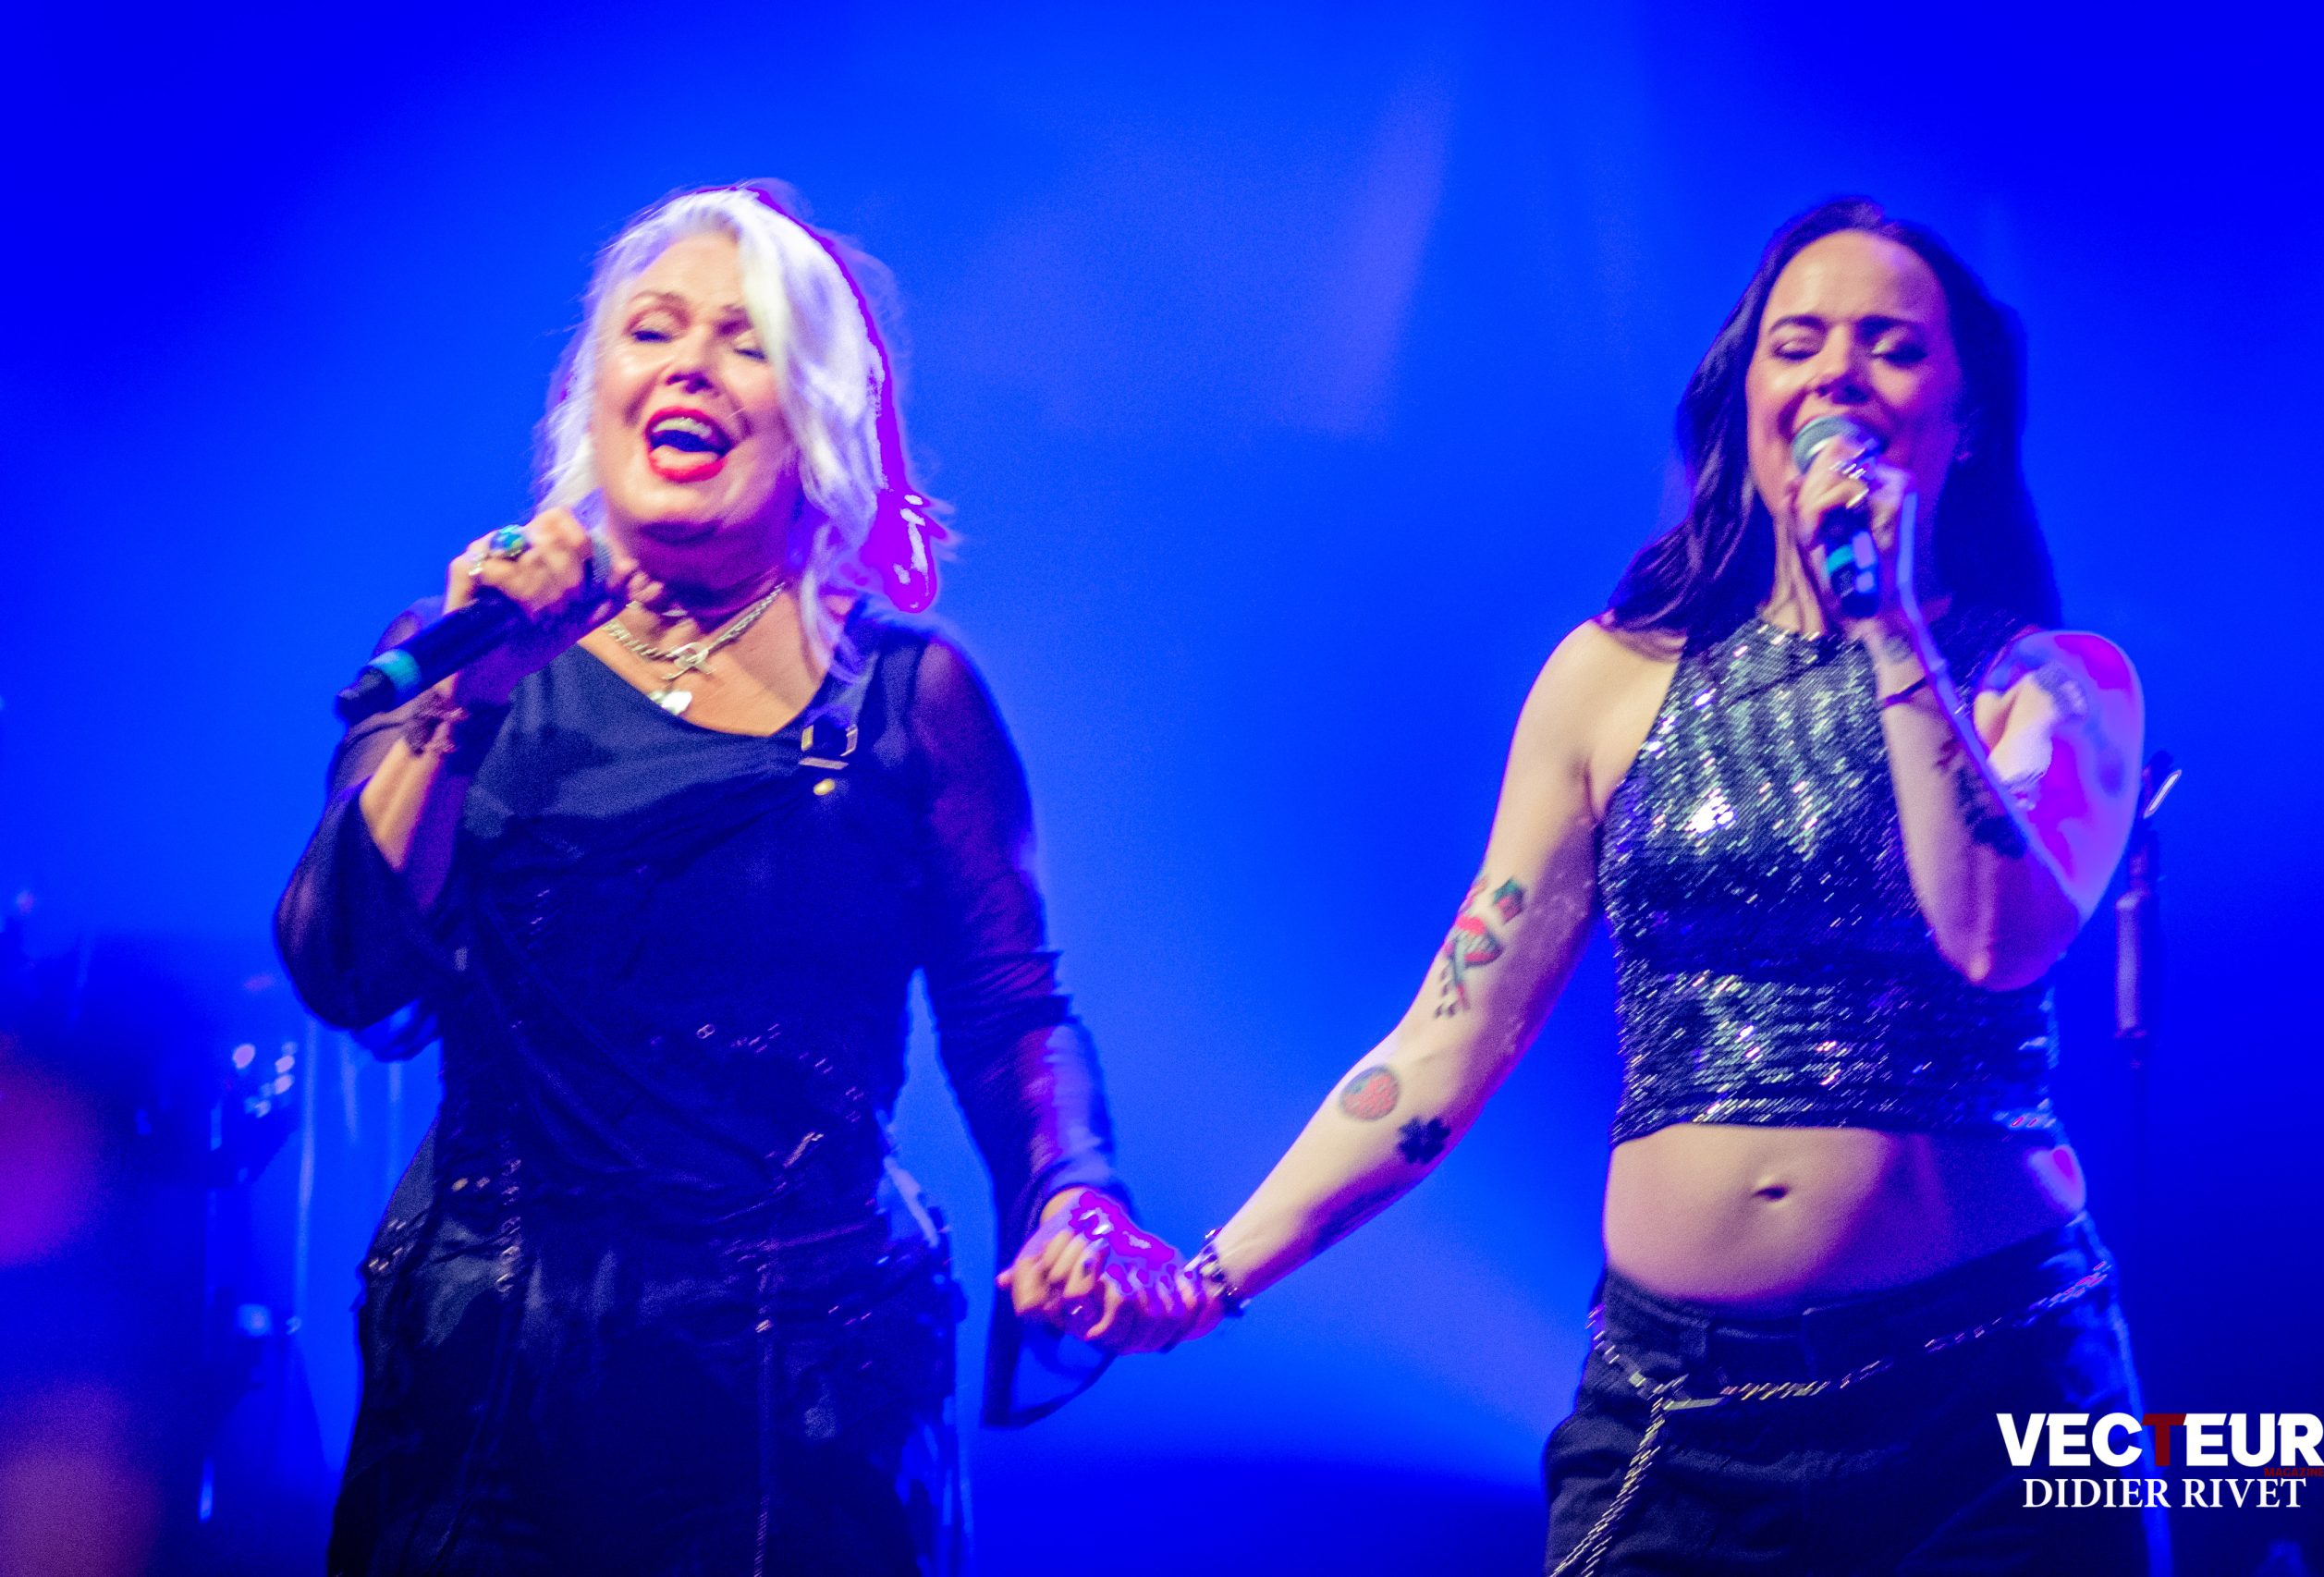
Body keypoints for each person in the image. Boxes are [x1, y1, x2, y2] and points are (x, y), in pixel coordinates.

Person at [1009, 198, 2162, 1574]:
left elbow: (1995, 934)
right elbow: (1447, 1041)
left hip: (1993, 1394)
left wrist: (1893, 623)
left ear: (1965, 421)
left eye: (1893, 346)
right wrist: (1210, 1278)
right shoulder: (1611, 679)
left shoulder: (2054, 687)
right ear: (1745, 401)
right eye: (1798, 343)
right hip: (1683, 1414)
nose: (1840, 376)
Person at [277, 182, 1180, 1577]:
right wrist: (466, 703)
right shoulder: (474, 663)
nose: (688, 364)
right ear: (594, 395)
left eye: (743, 341)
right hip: (488, 1373)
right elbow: (346, 965)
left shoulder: (909, 695)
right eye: (652, 330)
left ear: (815, 417)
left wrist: (1073, 1194)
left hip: (793, 1390)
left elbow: (1011, 1008)